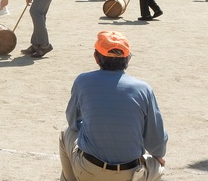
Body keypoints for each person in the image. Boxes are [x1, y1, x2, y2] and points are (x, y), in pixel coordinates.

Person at [59, 31, 167, 181]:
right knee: (158, 165)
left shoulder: (82, 81)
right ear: (127, 59)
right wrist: (158, 157)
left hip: (88, 171)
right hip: (131, 174)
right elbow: (157, 140)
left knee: (66, 132)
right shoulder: (144, 89)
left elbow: (73, 121)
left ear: (96, 57)